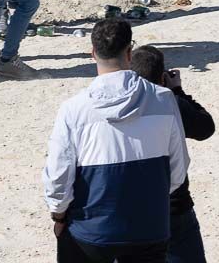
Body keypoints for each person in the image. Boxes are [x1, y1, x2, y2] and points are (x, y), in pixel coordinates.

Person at [43, 18, 188, 262]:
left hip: (91, 232)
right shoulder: (164, 99)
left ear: (92, 53)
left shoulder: (73, 109)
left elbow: (58, 174)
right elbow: (178, 170)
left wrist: (58, 216)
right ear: (129, 52)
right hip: (149, 229)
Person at [130, 45, 215, 263]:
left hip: (131, 206)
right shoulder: (170, 102)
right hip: (173, 207)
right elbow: (205, 127)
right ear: (162, 77)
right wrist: (177, 91)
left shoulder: (120, 103)